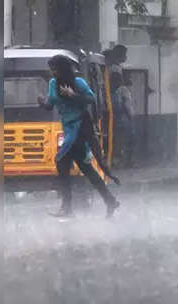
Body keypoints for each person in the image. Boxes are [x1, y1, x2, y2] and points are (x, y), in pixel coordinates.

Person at [37, 55, 119, 218]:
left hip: (80, 127)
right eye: (51, 70)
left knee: (61, 161)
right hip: (68, 128)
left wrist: (73, 94)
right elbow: (50, 105)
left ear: (63, 69)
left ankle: (67, 206)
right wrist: (42, 103)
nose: (53, 73)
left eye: (56, 69)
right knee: (85, 168)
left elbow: (91, 99)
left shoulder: (78, 82)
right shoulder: (53, 84)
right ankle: (109, 200)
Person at [111, 71, 137, 168]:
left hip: (115, 120)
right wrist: (131, 117)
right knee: (130, 140)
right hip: (124, 119)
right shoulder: (123, 90)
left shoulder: (111, 91)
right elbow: (127, 106)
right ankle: (129, 162)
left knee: (118, 141)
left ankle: (117, 162)